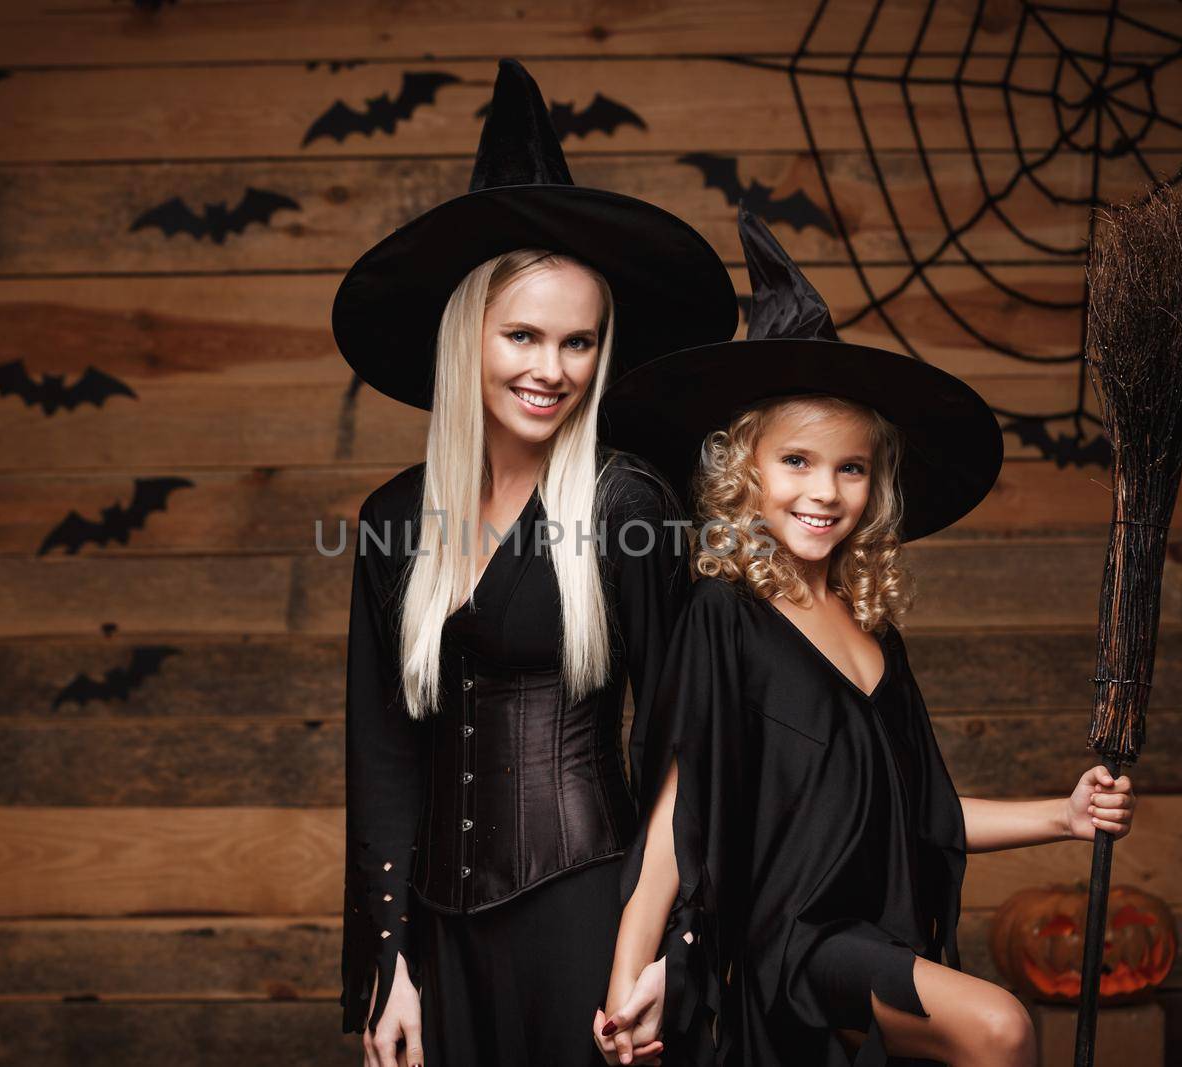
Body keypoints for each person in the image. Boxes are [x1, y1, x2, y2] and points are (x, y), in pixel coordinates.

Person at [591, 208, 1138, 1067]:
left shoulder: (873, 629)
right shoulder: (724, 613)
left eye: (850, 467)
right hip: (785, 948)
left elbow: (920, 811)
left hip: (867, 935)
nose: (825, 491)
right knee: (1000, 1024)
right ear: (748, 471)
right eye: (798, 462)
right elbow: (675, 819)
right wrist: (628, 983)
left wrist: (1063, 818)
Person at [333, 59, 738, 1067]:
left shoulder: (624, 504)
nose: (549, 370)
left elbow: (695, 737)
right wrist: (390, 963)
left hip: (588, 914)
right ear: (467, 334)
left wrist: (669, 952)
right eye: (522, 334)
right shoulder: (392, 520)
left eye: (578, 343)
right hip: (437, 929)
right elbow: (383, 756)